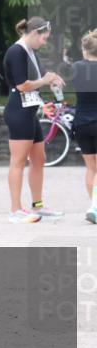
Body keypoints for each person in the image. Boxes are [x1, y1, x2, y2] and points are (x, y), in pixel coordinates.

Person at [3, 17, 66, 223]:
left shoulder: (31, 52)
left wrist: (50, 81)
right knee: (18, 161)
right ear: (34, 33)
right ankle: (15, 209)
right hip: (18, 110)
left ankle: (37, 205)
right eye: (43, 38)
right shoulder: (16, 52)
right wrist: (45, 80)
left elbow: (36, 83)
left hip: (29, 109)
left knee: (39, 159)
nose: (44, 42)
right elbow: (22, 85)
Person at [74, 30, 97, 224]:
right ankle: (95, 208)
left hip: (81, 122)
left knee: (91, 168)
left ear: (84, 50)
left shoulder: (76, 67)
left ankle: (93, 206)